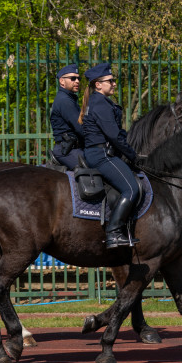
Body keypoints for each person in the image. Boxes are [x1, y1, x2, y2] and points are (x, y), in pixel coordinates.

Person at [79, 62, 141, 249]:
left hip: (98, 153)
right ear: (98, 85)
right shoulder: (100, 104)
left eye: (114, 81)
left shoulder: (97, 102)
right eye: (110, 81)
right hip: (101, 155)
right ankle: (113, 233)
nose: (114, 84)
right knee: (132, 189)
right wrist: (133, 156)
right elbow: (114, 135)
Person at [49, 64, 85, 170]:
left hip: (72, 148)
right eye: (73, 78)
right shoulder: (65, 100)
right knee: (97, 167)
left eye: (78, 78)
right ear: (62, 81)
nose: (77, 81)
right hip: (67, 151)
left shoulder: (69, 99)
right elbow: (80, 128)